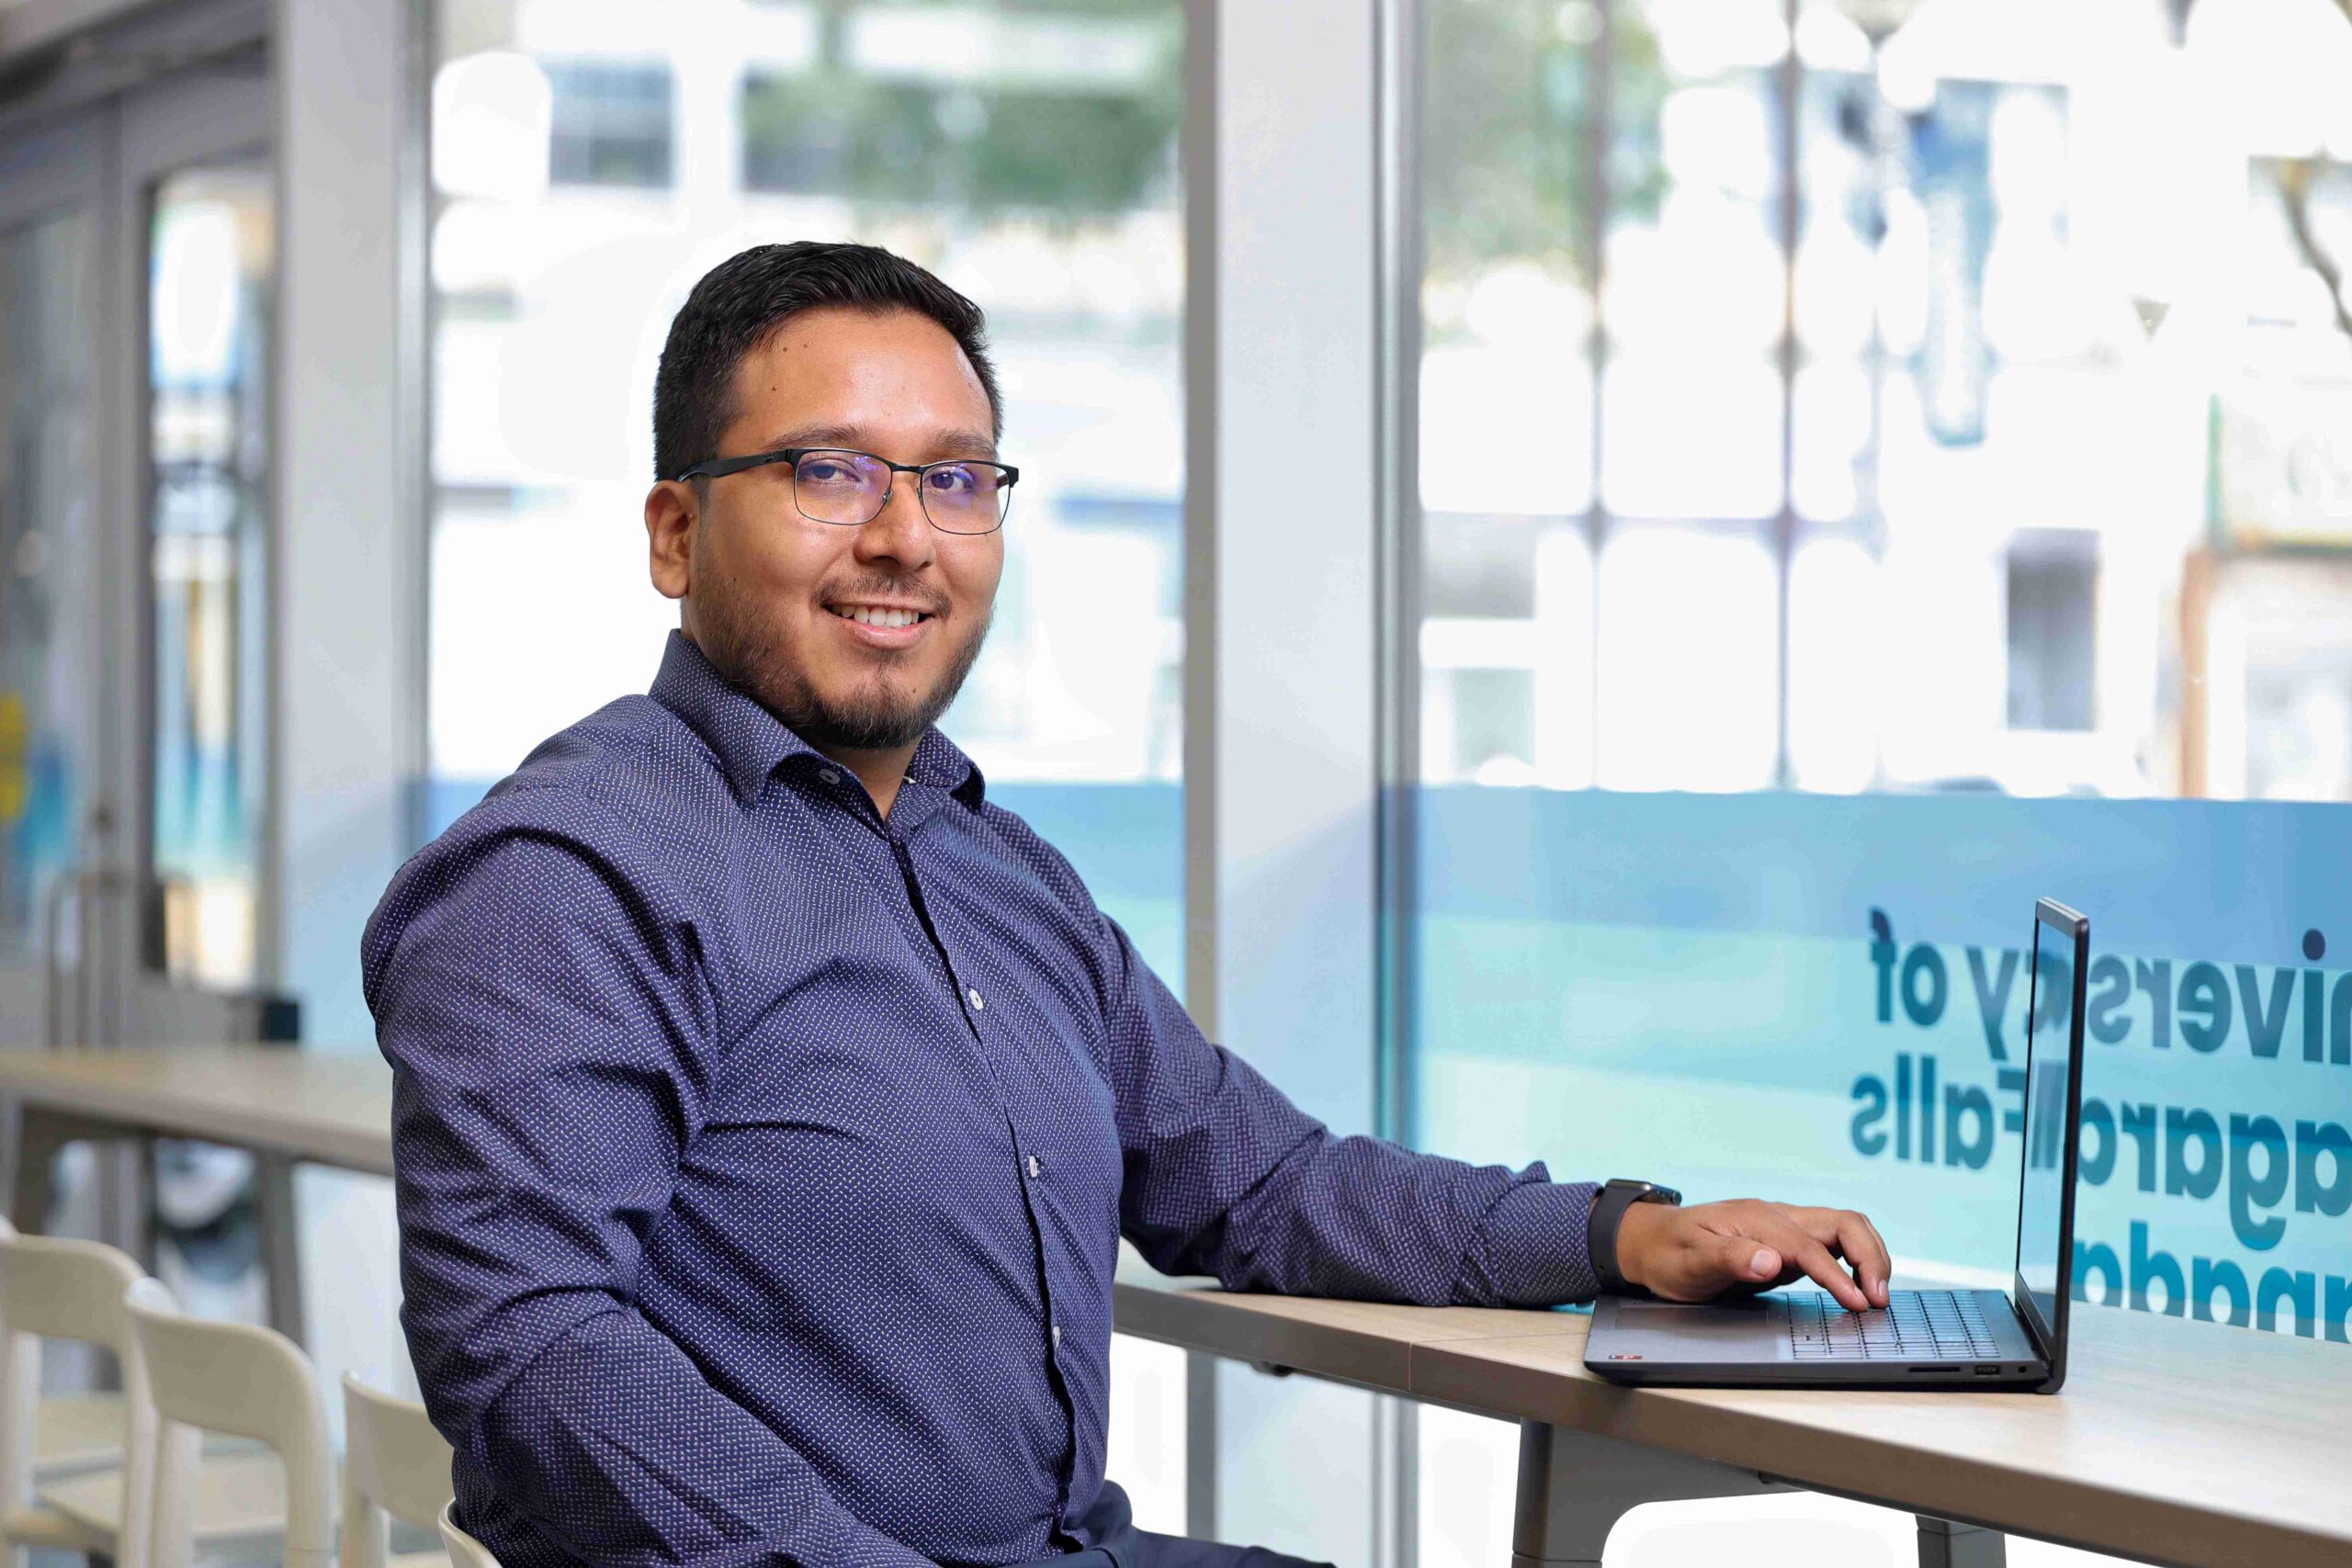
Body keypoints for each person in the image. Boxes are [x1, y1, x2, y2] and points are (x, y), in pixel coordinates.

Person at [363, 240, 1892, 1568]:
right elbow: (533, 1350)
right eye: (828, 471)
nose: (904, 536)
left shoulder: (996, 870)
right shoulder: (570, 877)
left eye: (955, 480)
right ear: (675, 533)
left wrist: (1627, 1236)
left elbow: (1262, 1184)